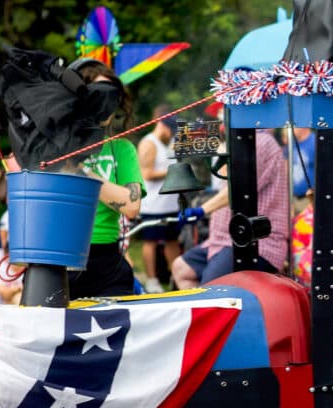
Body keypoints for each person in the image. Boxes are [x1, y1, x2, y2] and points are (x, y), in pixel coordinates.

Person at [171, 127, 289, 288]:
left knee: (211, 288)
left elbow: (238, 189)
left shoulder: (260, 142)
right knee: (181, 269)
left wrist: (201, 210)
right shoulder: (241, 140)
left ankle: (214, 310)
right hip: (225, 239)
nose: (221, 115)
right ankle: (206, 311)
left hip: (255, 242)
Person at [69, 60, 145, 299]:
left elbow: (131, 207)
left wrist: (81, 172)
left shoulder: (123, 149)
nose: (108, 103)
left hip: (107, 261)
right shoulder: (54, 147)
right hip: (61, 261)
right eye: (99, 94)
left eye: (114, 96)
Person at [136, 104, 181, 293]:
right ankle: (152, 280)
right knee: (151, 242)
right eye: (170, 128)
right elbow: (145, 173)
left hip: (170, 203)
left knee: (173, 241)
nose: (172, 132)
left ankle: (176, 277)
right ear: (161, 123)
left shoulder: (169, 143)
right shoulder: (148, 143)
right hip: (153, 205)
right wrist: (172, 172)